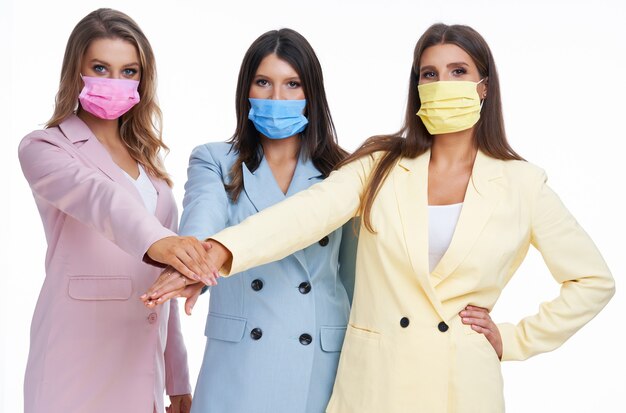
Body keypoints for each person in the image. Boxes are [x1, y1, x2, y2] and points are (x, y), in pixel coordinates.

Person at [145, 23, 615, 413]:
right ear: (416, 87)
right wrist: (219, 251)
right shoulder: (379, 165)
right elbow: (301, 217)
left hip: (464, 386)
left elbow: (594, 280)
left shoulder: (522, 184)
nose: (442, 83)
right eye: (429, 74)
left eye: (458, 71)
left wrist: (513, 340)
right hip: (377, 384)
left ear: (483, 86)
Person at [144, 28, 356, 413]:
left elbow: (356, 278)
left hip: (321, 364)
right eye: (264, 82)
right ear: (247, 91)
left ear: (312, 94)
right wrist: (192, 264)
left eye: (292, 84)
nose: (278, 97)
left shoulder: (344, 171)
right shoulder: (215, 159)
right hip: (240, 364)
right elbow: (202, 221)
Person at [18, 8, 215, 413]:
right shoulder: (45, 148)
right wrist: (162, 241)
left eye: (128, 72)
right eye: (100, 68)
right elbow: (97, 198)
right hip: (74, 361)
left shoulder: (152, 170)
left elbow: (165, 290)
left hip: (142, 366)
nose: (115, 82)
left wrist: (177, 379)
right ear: (76, 70)